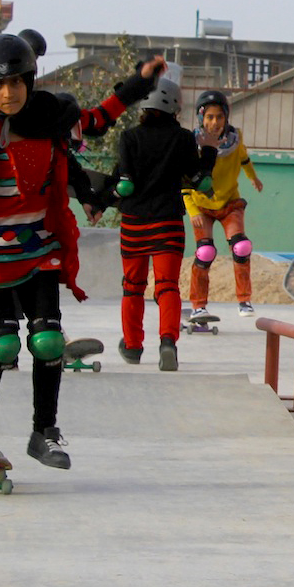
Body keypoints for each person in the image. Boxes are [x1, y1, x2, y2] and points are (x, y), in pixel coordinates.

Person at [0, 32, 166, 471]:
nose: (8, 92)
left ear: (30, 81)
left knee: (49, 340)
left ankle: (44, 431)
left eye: (16, 82)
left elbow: (96, 119)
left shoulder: (51, 119)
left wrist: (139, 83)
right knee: (2, 344)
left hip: (40, 248)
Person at [112, 79, 217, 370]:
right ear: (174, 105)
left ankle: (132, 346)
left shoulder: (129, 138)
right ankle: (168, 342)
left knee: (132, 286)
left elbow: (124, 186)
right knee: (167, 286)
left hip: (134, 223)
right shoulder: (183, 138)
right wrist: (208, 151)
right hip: (168, 222)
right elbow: (200, 181)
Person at [183, 89, 264, 319]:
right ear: (201, 118)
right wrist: (191, 210)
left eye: (219, 117)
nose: (215, 122)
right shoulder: (192, 143)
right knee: (205, 252)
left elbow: (244, 159)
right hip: (201, 205)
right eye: (209, 117)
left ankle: (244, 300)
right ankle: (198, 305)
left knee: (241, 247)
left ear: (226, 117)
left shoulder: (235, 138)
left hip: (229, 203)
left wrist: (253, 177)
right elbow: (184, 182)